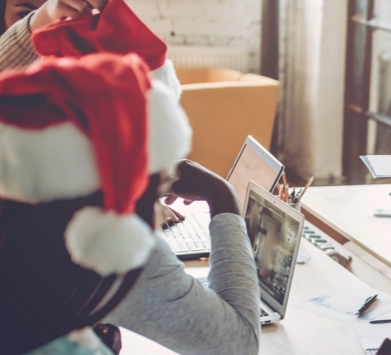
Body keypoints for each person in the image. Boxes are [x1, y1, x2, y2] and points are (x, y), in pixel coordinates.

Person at [1, 2, 261, 354]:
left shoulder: (22, 204)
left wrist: (40, 21)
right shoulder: (106, 253)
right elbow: (236, 345)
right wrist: (223, 199)